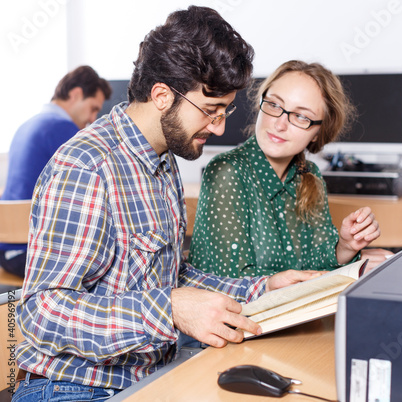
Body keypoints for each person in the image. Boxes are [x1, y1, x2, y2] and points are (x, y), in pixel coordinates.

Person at [14, 7, 323, 402]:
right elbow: (42, 313)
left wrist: (264, 288)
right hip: (72, 388)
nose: (219, 126)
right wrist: (169, 309)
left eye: (224, 110)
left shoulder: (162, 159)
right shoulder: (88, 166)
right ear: (162, 96)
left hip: (146, 380)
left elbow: (170, 280)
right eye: (210, 111)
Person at [189, 60, 392, 278]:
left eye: (301, 116)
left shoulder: (310, 174)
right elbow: (234, 280)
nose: (280, 124)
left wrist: (346, 248)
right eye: (274, 105)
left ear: (317, 132)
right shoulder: (226, 172)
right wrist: (331, 274)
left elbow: (316, 258)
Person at [0, 65, 111, 278]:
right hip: (29, 253)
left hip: (7, 247)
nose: (93, 119)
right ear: (76, 94)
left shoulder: (26, 125)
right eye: (93, 108)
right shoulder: (64, 130)